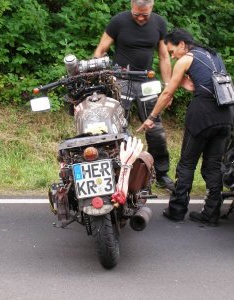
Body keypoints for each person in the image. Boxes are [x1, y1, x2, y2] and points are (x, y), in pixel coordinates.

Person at [137, 28, 232, 226]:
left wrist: (151, 117)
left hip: (201, 116)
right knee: (213, 166)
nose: (172, 56)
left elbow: (167, 93)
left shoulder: (186, 59)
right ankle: (211, 214)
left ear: (181, 44)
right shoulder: (215, 55)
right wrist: (182, 81)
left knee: (187, 164)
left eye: (172, 52)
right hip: (225, 115)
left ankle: (177, 210)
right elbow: (199, 84)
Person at [94, 0, 174, 192]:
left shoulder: (159, 23)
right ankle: (120, 172)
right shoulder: (118, 21)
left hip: (147, 81)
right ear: (131, 6)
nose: (139, 18)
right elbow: (100, 50)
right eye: (136, 13)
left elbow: (164, 57)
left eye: (144, 15)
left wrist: (168, 87)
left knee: (155, 129)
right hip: (121, 80)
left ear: (152, 8)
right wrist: (98, 78)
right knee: (118, 127)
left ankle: (161, 174)